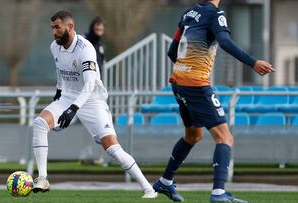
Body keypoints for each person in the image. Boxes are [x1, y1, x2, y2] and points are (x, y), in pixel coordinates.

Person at [152, 0, 274, 202]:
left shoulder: (188, 14)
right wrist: (254, 62)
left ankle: (165, 182)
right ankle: (218, 193)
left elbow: (172, 52)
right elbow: (225, 42)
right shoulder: (216, 14)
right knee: (225, 137)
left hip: (178, 80)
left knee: (192, 136)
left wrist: (187, 68)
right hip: (195, 84)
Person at [32, 10, 157, 199]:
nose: (54, 32)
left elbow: (90, 84)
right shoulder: (54, 47)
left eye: (57, 27)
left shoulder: (86, 48)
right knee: (40, 123)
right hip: (67, 97)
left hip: (92, 101)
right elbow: (60, 69)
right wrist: (59, 91)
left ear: (70, 27)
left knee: (113, 149)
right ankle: (42, 178)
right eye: (52, 28)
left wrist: (73, 109)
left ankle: (148, 188)